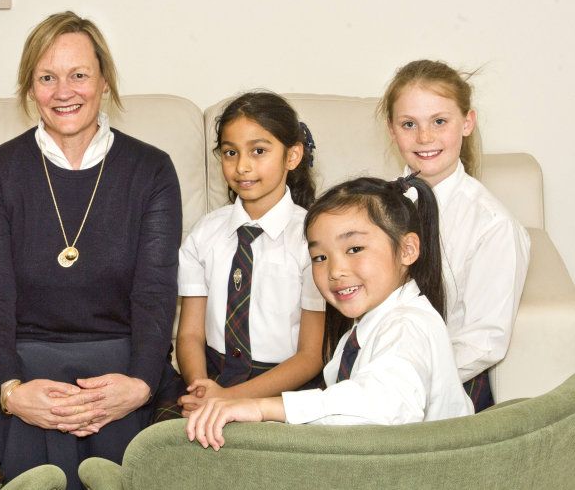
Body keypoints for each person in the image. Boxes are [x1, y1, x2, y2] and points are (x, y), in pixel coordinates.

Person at [0, 11, 183, 489]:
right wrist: (11, 392)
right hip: (19, 365)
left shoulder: (152, 170)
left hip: (121, 368)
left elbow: (155, 291)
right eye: (47, 77)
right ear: (30, 88)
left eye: (79, 74)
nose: (64, 91)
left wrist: (140, 385)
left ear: (104, 81)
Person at [186, 175, 473, 449]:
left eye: (355, 248)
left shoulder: (408, 326)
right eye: (320, 257)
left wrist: (263, 407)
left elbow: (381, 404)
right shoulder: (367, 327)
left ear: (407, 249)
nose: (335, 271)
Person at [379, 59, 531, 411]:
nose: (424, 137)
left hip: (448, 386)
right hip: (371, 371)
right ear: (391, 130)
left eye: (439, 121)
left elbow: (484, 340)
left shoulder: (493, 226)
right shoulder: (371, 207)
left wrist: (409, 376)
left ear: (467, 122)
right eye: (408, 124)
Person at [172, 92, 325, 419]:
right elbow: (190, 333)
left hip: (284, 388)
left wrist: (229, 399)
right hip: (211, 376)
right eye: (230, 152)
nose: (242, 166)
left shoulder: (313, 240)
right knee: (161, 442)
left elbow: (311, 356)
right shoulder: (204, 235)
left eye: (259, 151)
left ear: (292, 155)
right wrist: (201, 387)